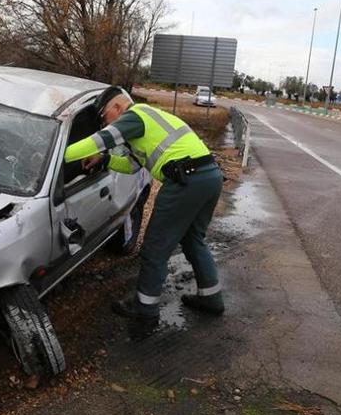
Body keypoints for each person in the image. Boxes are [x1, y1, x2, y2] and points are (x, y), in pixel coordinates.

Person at [64, 86, 224, 318]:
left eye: (104, 117)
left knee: (155, 248)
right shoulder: (146, 122)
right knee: (193, 240)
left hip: (185, 182)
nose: (104, 123)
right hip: (209, 177)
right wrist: (106, 158)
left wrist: (59, 154)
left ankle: (145, 309)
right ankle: (212, 298)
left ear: (117, 107)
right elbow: (130, 165)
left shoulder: (134, 115)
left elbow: (100, 140)